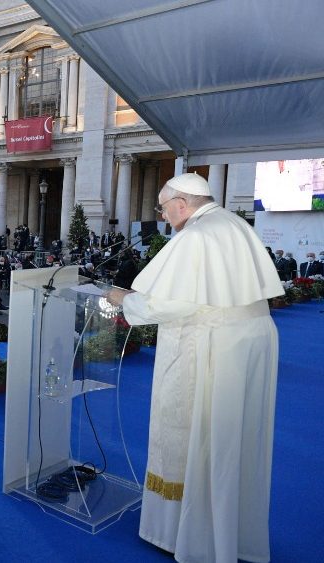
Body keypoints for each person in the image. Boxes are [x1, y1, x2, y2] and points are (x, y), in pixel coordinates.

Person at [105, 173, 283, 563]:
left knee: (197, 434)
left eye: (164, 209)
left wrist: (123, 299)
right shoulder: (232, 223)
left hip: (212, 345)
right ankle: (226, 528)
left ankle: (191, 535)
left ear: (182, 204)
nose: (164, 217)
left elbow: (174, 303)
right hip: (249, 339)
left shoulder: (196, 235)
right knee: (231, 439)